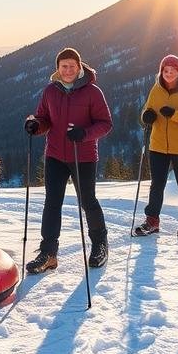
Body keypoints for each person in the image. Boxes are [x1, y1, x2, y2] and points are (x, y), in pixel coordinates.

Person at [22, 47, 113, 273]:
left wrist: (84, 134)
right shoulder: (50, 91)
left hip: (82, 156)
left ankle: (100, 244)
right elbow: (43, 118)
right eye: (64, 66)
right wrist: (35, 125)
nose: (68, 70)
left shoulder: (93, 92)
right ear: (58, 69)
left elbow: (105, 123)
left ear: (80, 67)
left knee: (88, 201)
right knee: (52, 203)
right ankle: (49, 253)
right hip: (55, 155)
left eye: (73, 65)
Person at [135, 54, 178, 238]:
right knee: (157, 184)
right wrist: (146, 115)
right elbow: (148, 109)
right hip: (158, 145)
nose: (168, 74)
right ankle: (152, 221)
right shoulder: (156, 89)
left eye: (172, 70)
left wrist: (175, 114)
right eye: (165, 70)